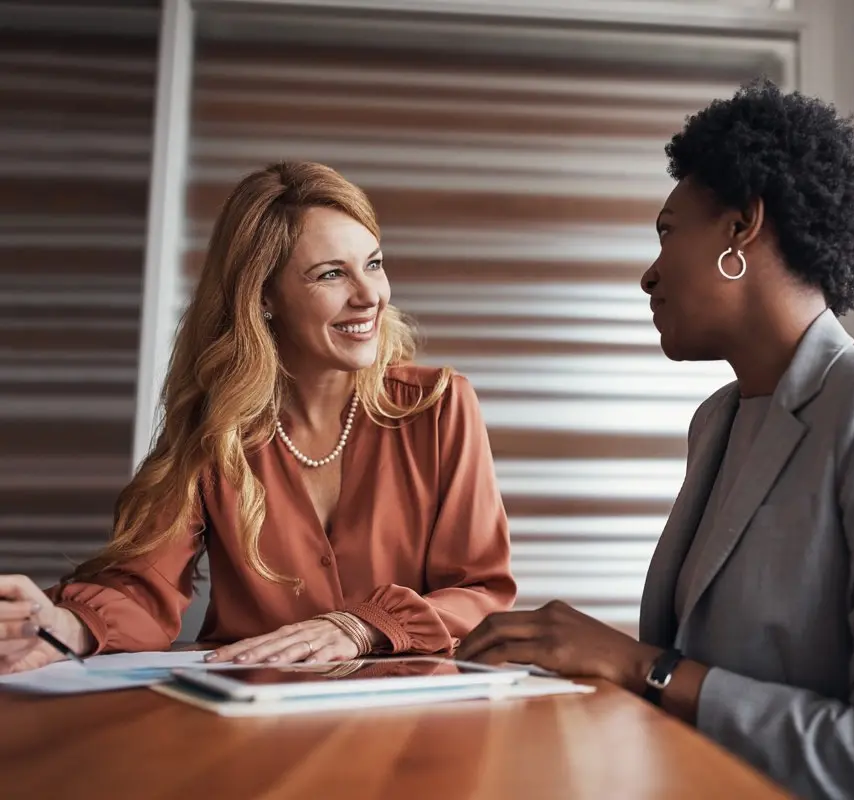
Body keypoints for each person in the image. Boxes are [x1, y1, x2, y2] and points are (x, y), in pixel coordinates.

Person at [458, 79, 854, 800]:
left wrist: (639, 665)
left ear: (742, 227)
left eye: (667, 230)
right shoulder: (717, 420)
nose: (649, 273)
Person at [0, 161, 515, 673]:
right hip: (253, 712)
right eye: (332, 274)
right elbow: (143, 586)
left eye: (374, 264)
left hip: (412, 717)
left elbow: (481, 592)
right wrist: (59, 628)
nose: (369, 296)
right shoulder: (214, 427)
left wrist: (362, 626)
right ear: (264, 296)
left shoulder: (440, 406)